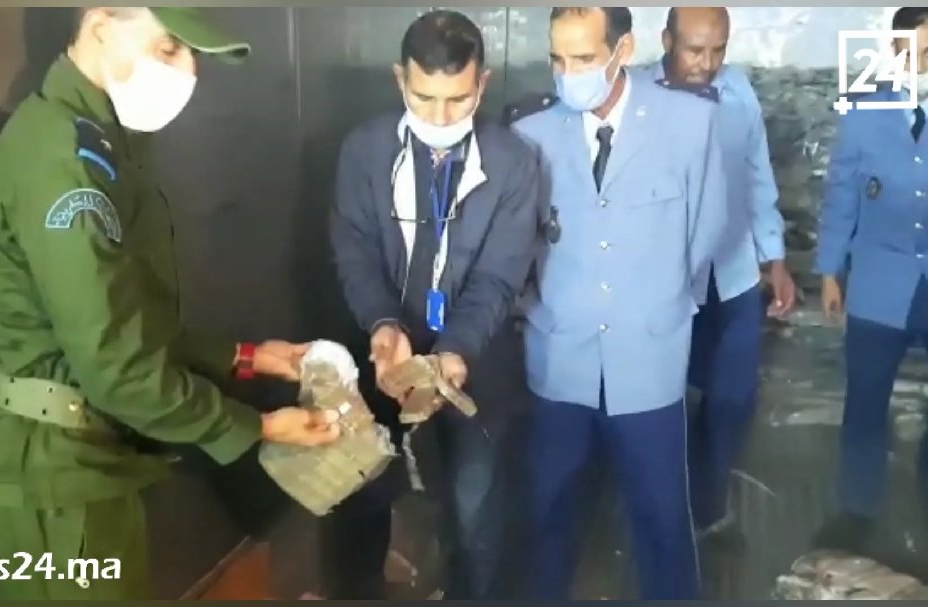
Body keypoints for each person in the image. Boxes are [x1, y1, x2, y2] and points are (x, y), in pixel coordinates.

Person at [0, 7, 341, 600]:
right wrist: (257, 427)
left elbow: (122, 319)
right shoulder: (67, 168)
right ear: (101, 27)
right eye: (168, 48)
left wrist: (249, 357)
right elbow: (119, 369)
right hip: (48, 489)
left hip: (69, 467)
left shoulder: (92, 137)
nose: (189, 72)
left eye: (193, 54)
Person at [509, 7, 728, 600]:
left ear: (623, 50)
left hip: (648, 354)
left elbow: (705, 228)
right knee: (549, 508)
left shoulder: (691, 123)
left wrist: (656, 302)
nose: (568, 73)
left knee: (662, 514)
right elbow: (519, 245)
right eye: (558, 60)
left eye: (583, 58)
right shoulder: (531, 136)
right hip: (560, 354)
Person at [326, 9, 540, 599]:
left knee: (475, 505)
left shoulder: (513, 162)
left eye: (458, 99)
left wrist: (455, 351)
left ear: (483, 84)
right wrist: (383, 325)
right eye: (423, 98)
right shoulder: (364, 151)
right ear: (400, 79)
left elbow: (498, 277)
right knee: (364, 492)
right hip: (384, 360)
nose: (440, 117)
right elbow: (353, 251)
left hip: (474, 363)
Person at [632, 7, 796, 551]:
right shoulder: (631, 95)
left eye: (718, 50)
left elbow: (757, 176)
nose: (706, 63)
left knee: (732, 399)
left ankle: (709, 510)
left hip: (732, 273)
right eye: (694, 50)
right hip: (660, 280)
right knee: (659, 401)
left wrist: (774, 258)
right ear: (666, 40)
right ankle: (661, 511)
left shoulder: (738, 91)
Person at [815, 6, 928, 550]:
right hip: (880, 277)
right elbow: (842, 192)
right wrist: (830, 269)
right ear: (891, 52)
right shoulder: (866, 110)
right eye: (907, 54)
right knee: (865, 403)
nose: (918, 66)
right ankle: (857, 510)